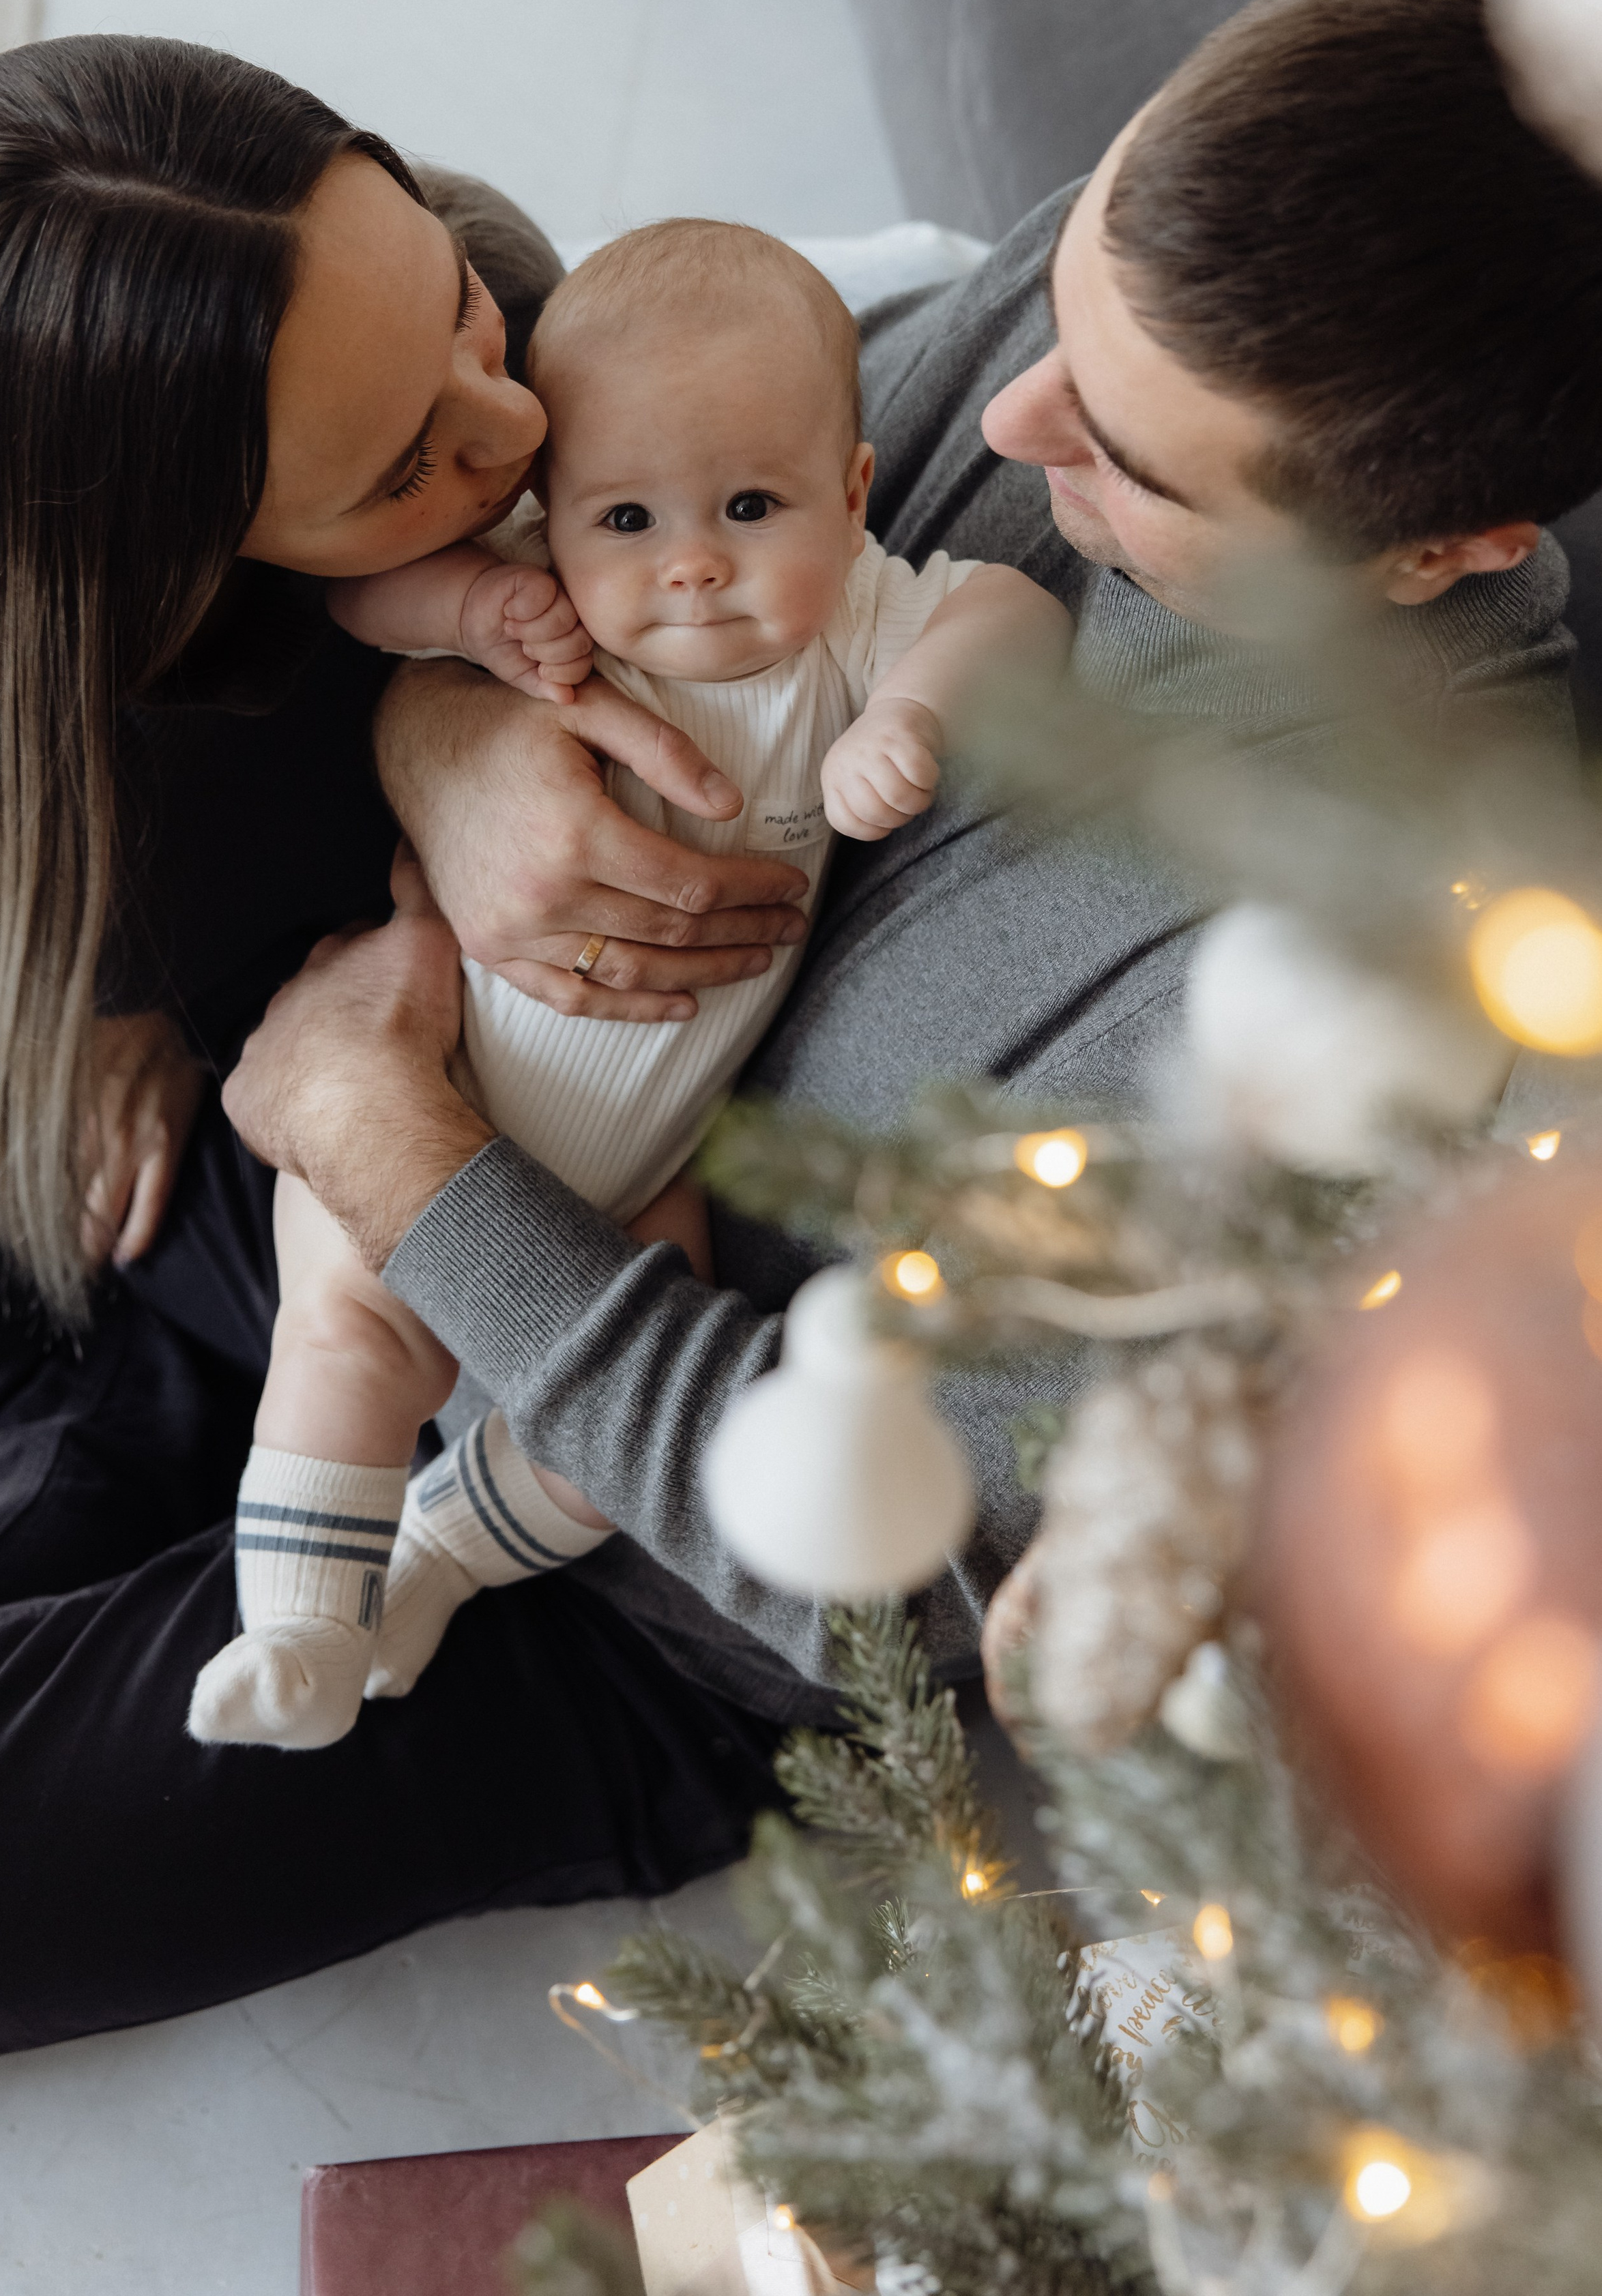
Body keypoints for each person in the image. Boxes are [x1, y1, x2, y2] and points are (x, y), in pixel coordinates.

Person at [0, 0, 1596, 2068]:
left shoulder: (1390, 992)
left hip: (580, 1569)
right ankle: (45, 1414)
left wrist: (402, 1156)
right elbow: (694, 464)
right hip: (356, 1118)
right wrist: (454, 745)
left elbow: (866, 1579)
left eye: (1122, 455)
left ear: (1438, 551)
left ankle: (33, 1434)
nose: (1005, 411)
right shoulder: (1157, 289)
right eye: (1058, 311)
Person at [188, 218, 1066, 1750]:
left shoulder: (851, 616)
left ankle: (435, 1566)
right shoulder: (543, 588)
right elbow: (361, 604)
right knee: (344, 1352)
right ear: (551, 511)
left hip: (646, 1162)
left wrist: (907, 716)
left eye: (747, 505)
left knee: (602, 1453)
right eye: (625, 518)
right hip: (436, 1071)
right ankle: (296, 1630)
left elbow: (1016, 615)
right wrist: (470, 615)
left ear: (846, 494)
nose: (691, 563)